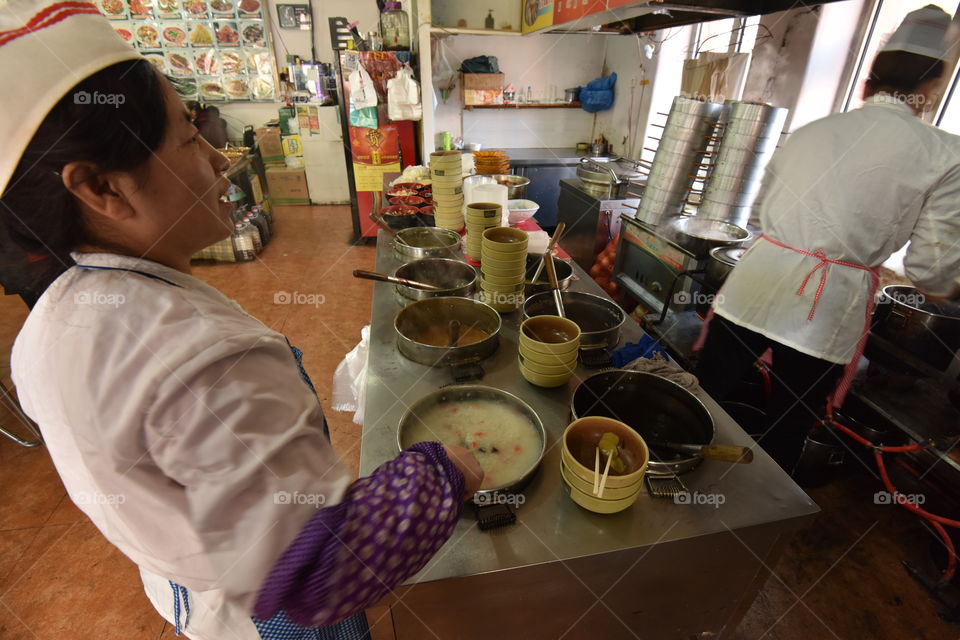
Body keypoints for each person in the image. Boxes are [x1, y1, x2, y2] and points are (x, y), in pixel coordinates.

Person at [1, 3, 483, 639]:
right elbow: (321, 568)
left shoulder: (50, 318)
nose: (219, 158)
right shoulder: (202, 357)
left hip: (184, 594)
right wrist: (442, 471)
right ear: (102, 189)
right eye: (188, 138)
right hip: (264, 617)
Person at [694, 5, 960, 472]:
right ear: (932, 88)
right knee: (788, 423)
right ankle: (759, 514)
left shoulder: (812, 130)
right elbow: (930, 269)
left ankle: (672, 472)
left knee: (705, 395)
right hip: (823, 307)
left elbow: (759, 214)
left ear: (867, 83)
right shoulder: (945, 153)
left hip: (753, 286)